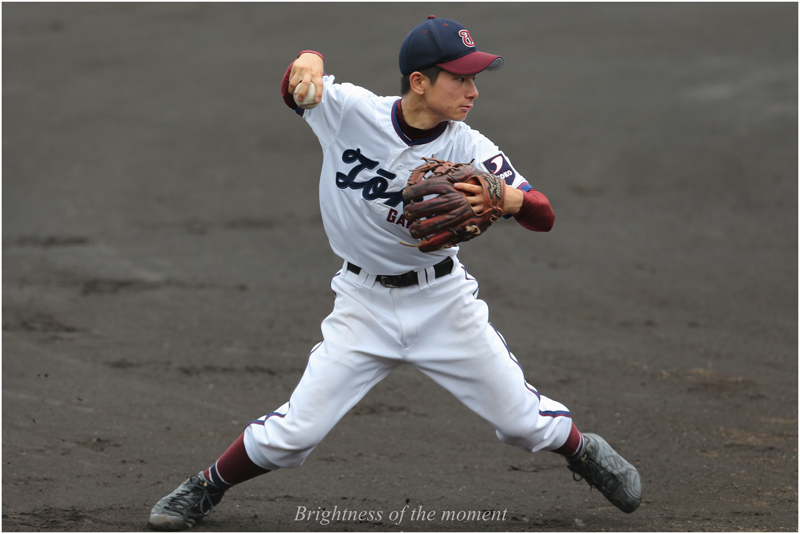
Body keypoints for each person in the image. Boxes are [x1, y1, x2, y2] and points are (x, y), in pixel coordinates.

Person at [147, 16, 641, 531]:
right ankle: (205, 486)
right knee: (296, 432)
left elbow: (544, 215)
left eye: (475, 79)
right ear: (420, 82)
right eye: (461, 78)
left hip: (443, 302)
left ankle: (584, 451)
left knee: (522, 423)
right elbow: (297, 91)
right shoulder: (352, 112)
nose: (473, 90)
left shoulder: (470, 147)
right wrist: (308, 60)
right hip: (362, 303)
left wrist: (507, 196)